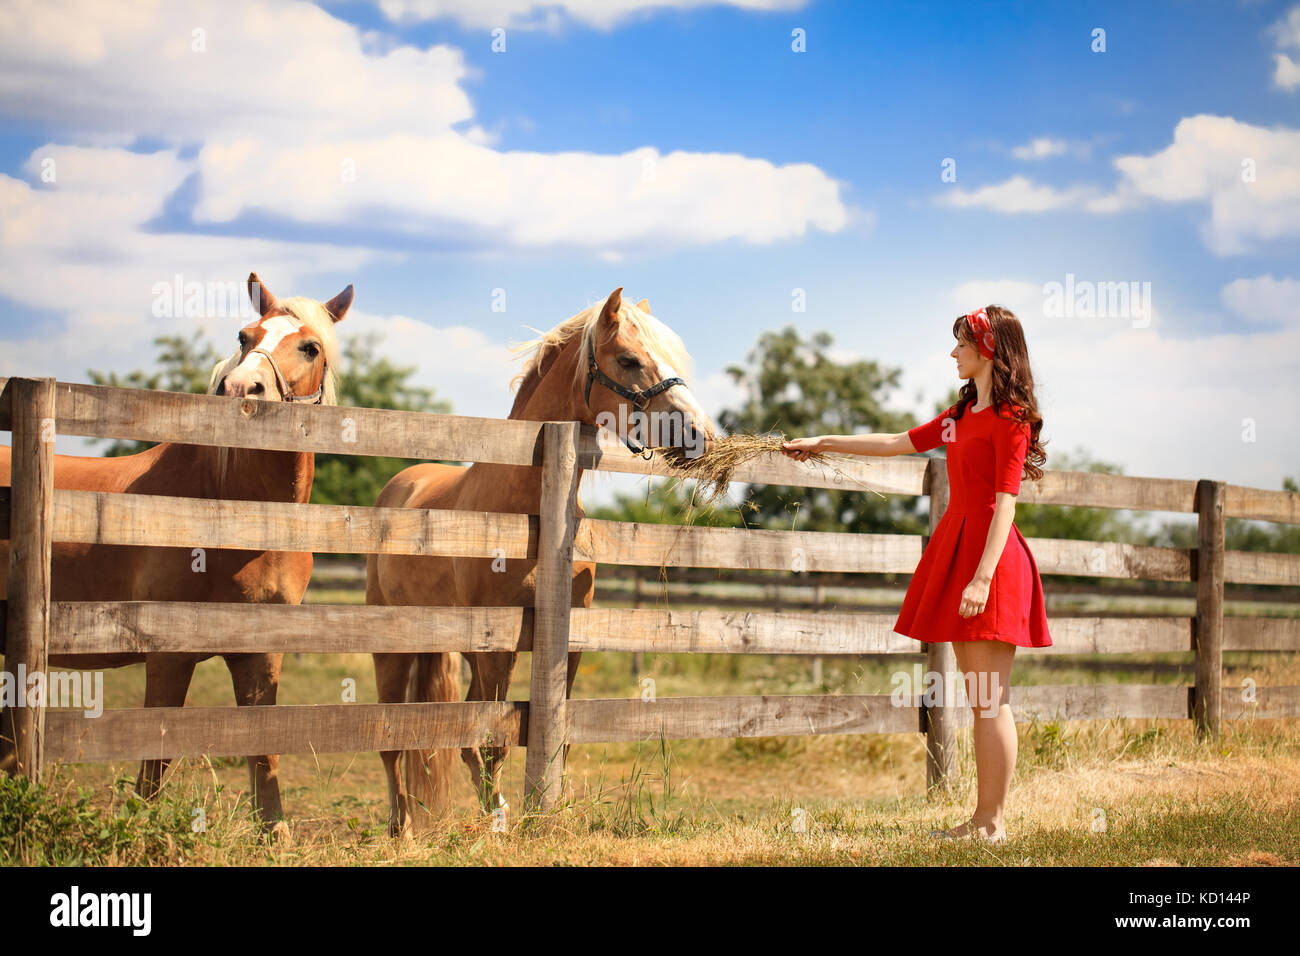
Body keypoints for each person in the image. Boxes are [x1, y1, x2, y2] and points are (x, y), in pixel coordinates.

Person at [781, 305, 1051, 844]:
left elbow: (1005, 506)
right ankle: (981, 820)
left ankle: (991, 824)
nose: (953, 353)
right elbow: (896, 442)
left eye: (961, 344)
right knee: (978, 697)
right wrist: (824, 442)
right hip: (960, 550)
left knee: (990, 698)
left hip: (990, 563)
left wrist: (980, 578)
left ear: (989, 350)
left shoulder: (1011, 419)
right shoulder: (960, 417)